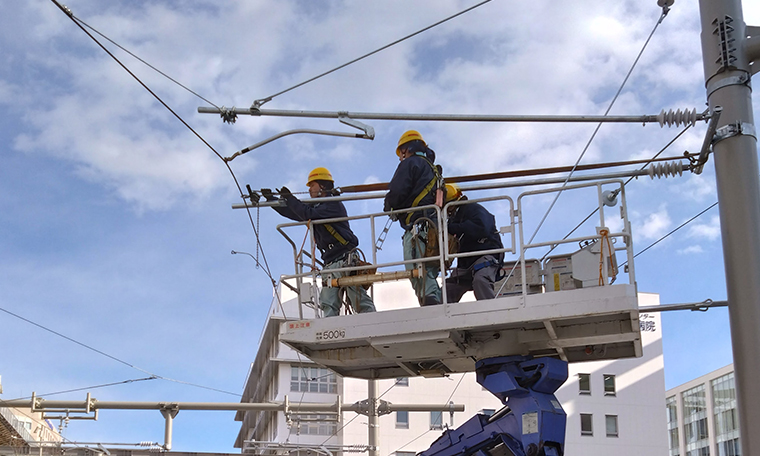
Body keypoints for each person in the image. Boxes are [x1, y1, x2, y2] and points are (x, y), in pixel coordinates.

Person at [263, 167, 376, 317]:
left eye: (312, 185)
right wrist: (272, 201)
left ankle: (373, 320)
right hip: (331, 262)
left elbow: (306, 213)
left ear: (322, 186)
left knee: (357, 298)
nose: (309, 189)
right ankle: (332, 329)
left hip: (345, 259)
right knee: (328, 302)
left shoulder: (332, 204)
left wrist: (290, 199)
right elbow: (295, 212)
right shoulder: (317, 207)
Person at [383, 130, 443, 306]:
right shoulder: (434, 170)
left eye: (402, 152)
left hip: (418, 228)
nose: (401, 157)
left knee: (418, 271)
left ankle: (432, 307)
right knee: (428, 271)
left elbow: (397, 191)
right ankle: (437, 302)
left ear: (406, 149)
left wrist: (389, 207)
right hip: (433, 228)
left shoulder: (410, 164)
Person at [444, 183, 504, 302]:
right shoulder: (454, 219)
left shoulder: (473, 209)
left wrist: (454, 227)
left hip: (485, 255)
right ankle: (440, 317)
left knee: (480, 280)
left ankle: (492, 312)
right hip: (467, 263)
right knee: (448, 289)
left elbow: (482, 228)